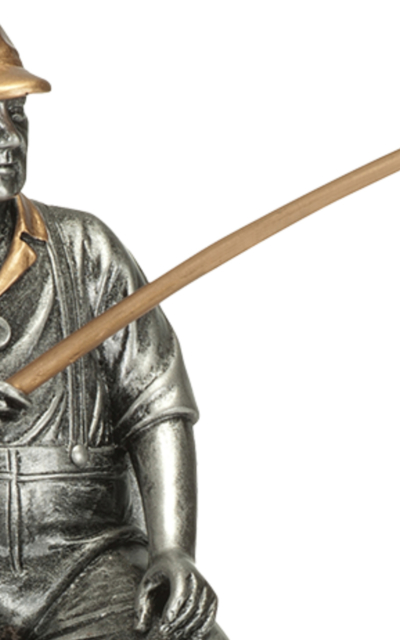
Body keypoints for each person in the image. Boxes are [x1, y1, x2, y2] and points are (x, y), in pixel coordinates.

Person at [0, 25, 226, 640]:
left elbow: (156, 404)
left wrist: (172, 549)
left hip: (86, 561)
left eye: (16, 115)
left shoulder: (86, 249)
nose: (8, 138)